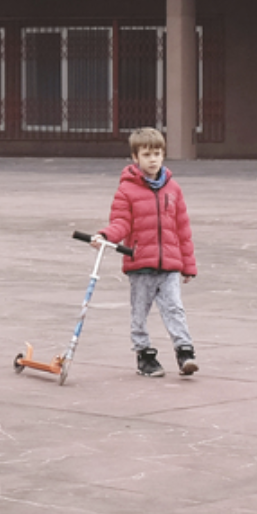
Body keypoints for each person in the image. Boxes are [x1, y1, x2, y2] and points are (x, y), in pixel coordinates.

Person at [100, 125, 196, 377]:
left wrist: (188, 265)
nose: (152, 159)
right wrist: (106, 236)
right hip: (140, 263)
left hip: (170, 264)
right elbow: (121, 222)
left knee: (174, 307)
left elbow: (182, 228)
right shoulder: (126, 190)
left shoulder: (173, 189)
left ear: (163, 155)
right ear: (135, 157)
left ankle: (184, 351)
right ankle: (144, 355)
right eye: (146, 154)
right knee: (140, 312)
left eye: (157, 154)